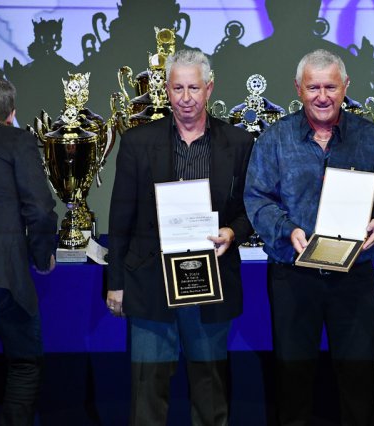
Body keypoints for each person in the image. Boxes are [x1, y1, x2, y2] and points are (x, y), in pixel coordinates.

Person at [244, 49, 374, 426]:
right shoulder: (275, 139)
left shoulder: (372, 139)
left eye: (330, 87)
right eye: (313, 87)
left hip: (354, 277)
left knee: (358, 385)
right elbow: (257, 197)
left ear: (345, 87)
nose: (322, 96)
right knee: (293, 383)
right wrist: (287, 230)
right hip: (293, 275)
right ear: (298, 89)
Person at [106, 49, 255, 426]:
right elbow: (121, 217)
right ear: (166, 91)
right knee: (147, 397)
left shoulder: (239, 143)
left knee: (211, 396)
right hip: (149, 284)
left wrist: (232, 231)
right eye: (177, 88)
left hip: (211, 283)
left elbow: (252, 209)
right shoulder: (138, 142)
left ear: (209, 88)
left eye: (194, 88)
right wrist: (116, 283)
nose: (186, 97)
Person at [0, 76, 57, 425]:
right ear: (11, 114)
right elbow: (40, 210)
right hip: (3, 276)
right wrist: (42, 257)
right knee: (24, 363)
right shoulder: (18, 140)